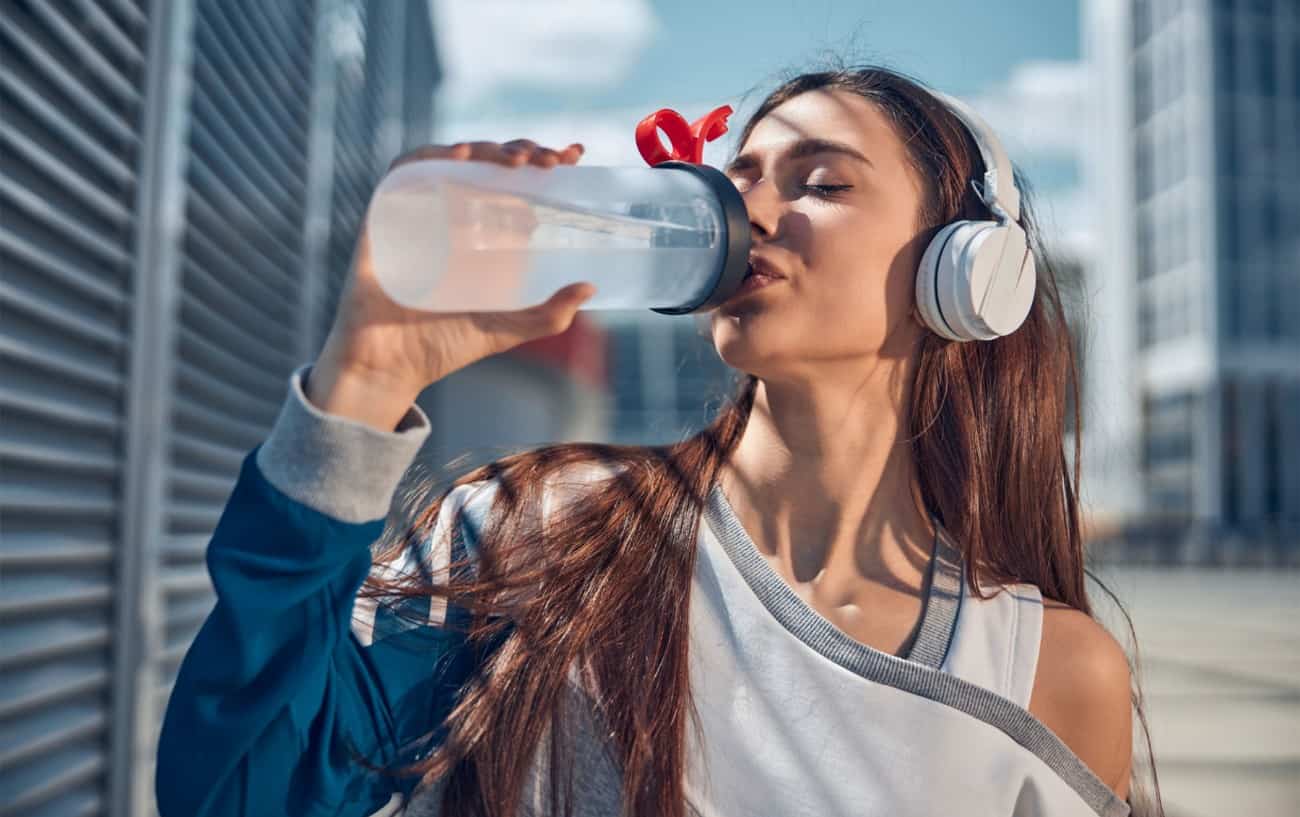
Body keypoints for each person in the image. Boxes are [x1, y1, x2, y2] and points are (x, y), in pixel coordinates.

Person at [157, 65, 1162, 817]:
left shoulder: (1052, 669)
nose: (748, 211)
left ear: (966, 269)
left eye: (818, 182)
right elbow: (241, 791)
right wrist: (364, 384)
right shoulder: (536, 532)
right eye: (741, 178)